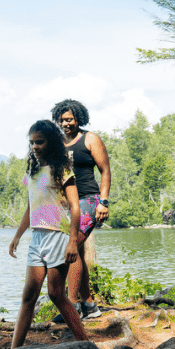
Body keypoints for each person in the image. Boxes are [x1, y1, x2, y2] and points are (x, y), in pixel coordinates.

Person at [0, 120, 89, 349]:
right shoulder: (33, 170)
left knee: (56, 294)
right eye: (32, 142)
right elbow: (30, 207)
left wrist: (72, 242)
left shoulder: (61, 170)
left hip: (57, 237)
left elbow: (76, 208)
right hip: (36, 239)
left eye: (40, 142)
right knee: (28, 297)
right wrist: (17, 236)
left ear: (51, 142)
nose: (35, 146)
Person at [50, 99, 110, 321]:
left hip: (90, 200)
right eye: (62, 120)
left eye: (70, 119)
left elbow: (105, 170)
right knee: (77, 251)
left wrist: (104, 202)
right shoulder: (56, 145)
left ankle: (72, 306)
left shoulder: (90, 139)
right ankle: (90, 305)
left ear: (78, 119)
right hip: (67, 204)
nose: (66, 124)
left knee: (72, 246)